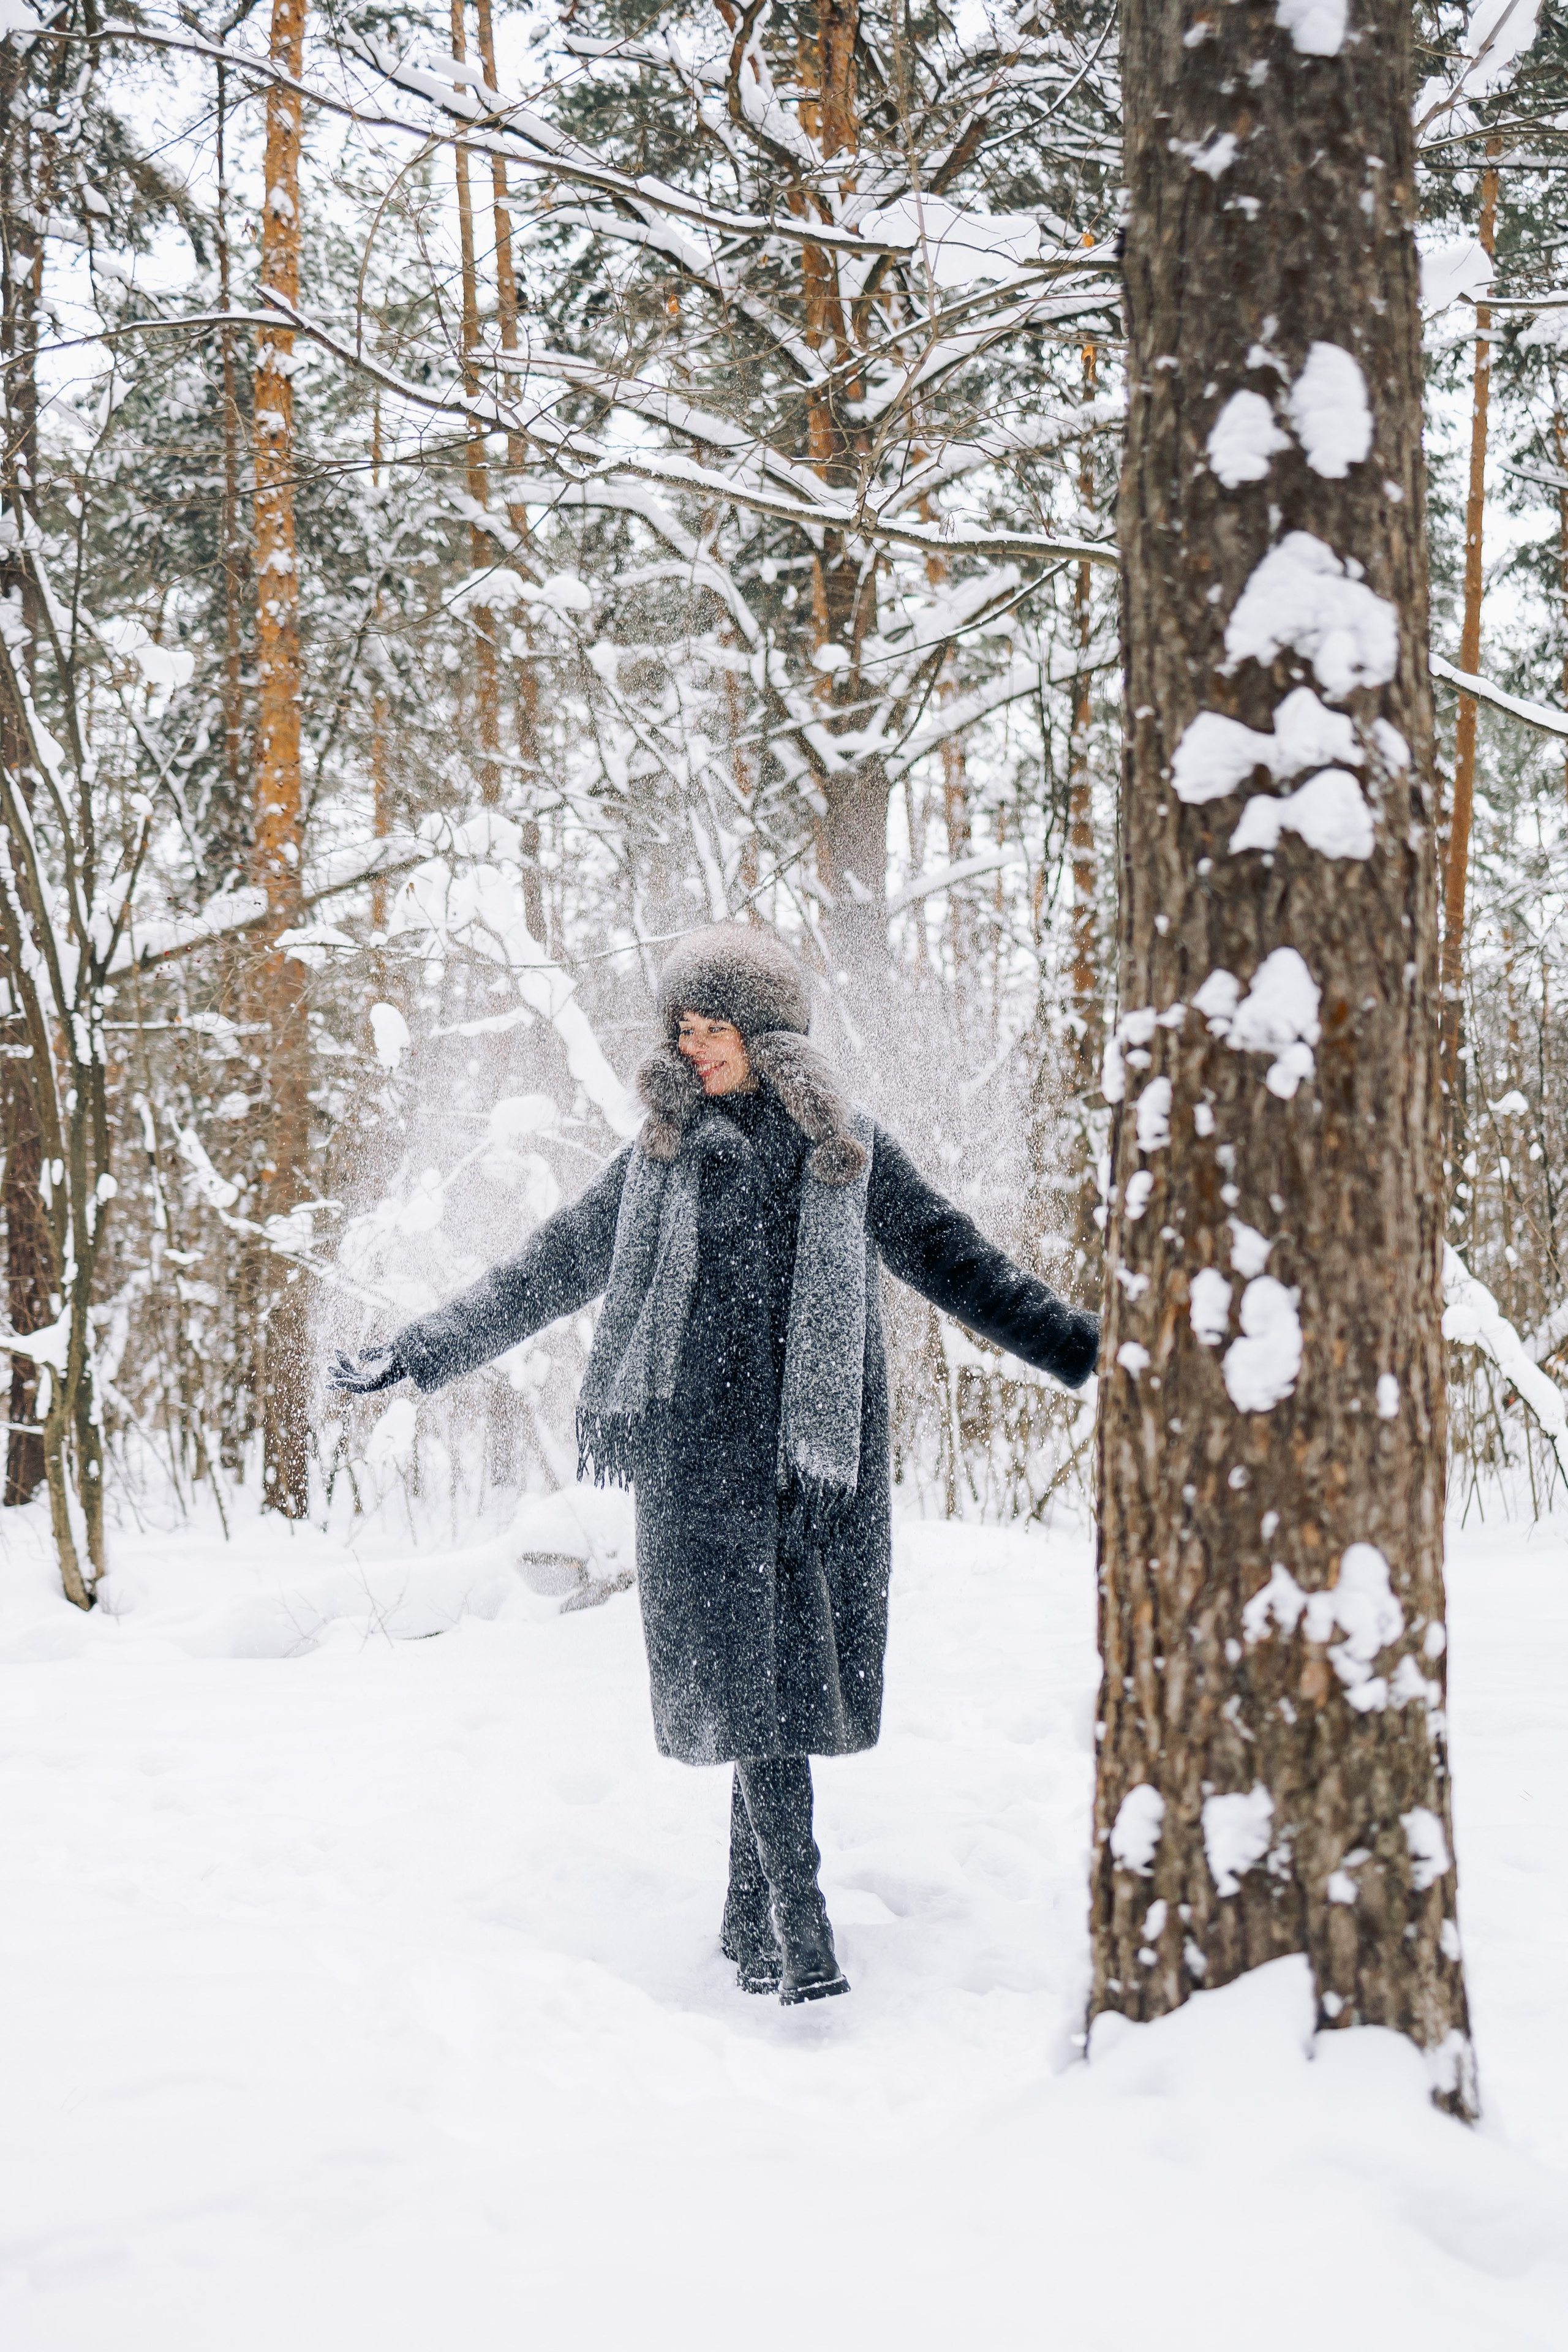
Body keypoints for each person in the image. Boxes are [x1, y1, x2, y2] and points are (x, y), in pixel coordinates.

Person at [331, 924, 1099, 2005]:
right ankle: (802, 1926)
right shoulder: (659, 1158)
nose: (694, 1049)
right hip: (697, 1467)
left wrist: (1084, 1349)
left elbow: (951, 1256)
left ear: (768, 1033)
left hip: (811, 1464)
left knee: (776, 1689)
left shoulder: (847, 1153)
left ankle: (753, 1919)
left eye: (714, 1028)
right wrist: (421, 1351)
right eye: (682, 1029)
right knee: (755, 1693)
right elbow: (548, 1266)